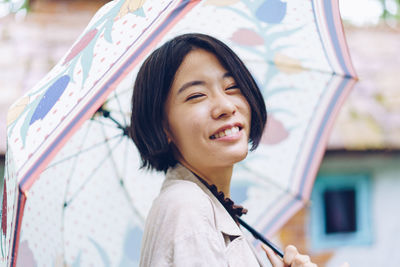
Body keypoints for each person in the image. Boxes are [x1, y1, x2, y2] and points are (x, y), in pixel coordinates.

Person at [129, 33, 331, 267]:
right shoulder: (188, 207)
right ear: (163, 127)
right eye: (196, 96)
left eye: (232, 87)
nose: (226, 106)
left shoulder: (209, 205)